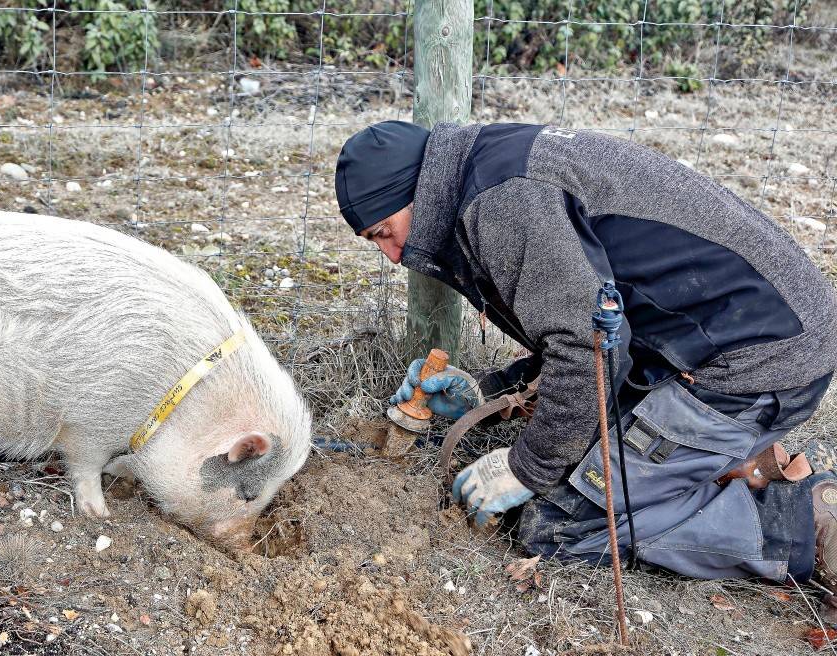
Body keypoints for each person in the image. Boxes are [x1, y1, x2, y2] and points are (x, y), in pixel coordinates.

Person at [334, 120, 837, 593]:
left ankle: (801, 521)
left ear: (415, 193)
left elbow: (589, 350)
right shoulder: (481, 171)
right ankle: (707, 468)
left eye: (384, 231)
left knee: (558, 526)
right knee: (580, 453)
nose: (393, 255)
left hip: (758, 363)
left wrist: (525, 467)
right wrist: (487, 394)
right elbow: (594, 323)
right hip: (706, 339)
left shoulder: (505, 204)